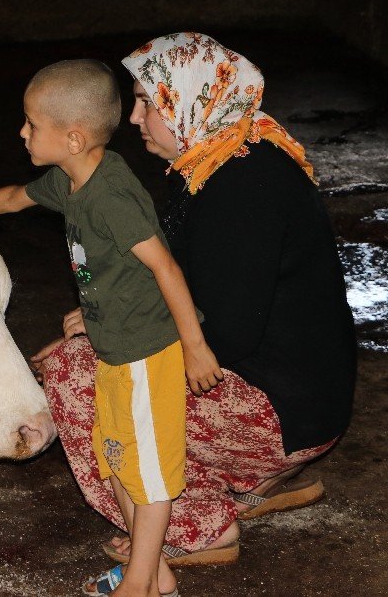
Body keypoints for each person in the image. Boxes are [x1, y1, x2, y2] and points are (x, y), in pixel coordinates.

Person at [33, 33, 356, 576]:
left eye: (147, 103)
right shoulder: (223, 153)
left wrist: (110, 328)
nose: (134, 118)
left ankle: (202, 524)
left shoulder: (241, 187)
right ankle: (246, 481)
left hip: (281, 408)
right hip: (298, 397)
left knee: (75, 377)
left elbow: (226, 335)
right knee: (91, 355)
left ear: (189, 101)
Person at [0, 59, 223, 597]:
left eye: (32, 124)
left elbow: (165, 268)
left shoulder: (111, 199)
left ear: (73, 137)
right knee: (119, 458)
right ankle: (157, 576)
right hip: (114, 347)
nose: (22, 132)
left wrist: (194, 347)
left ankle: (142, 584)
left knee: (148, 474)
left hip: (148, 352)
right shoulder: (70, 178)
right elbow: (12, 198)